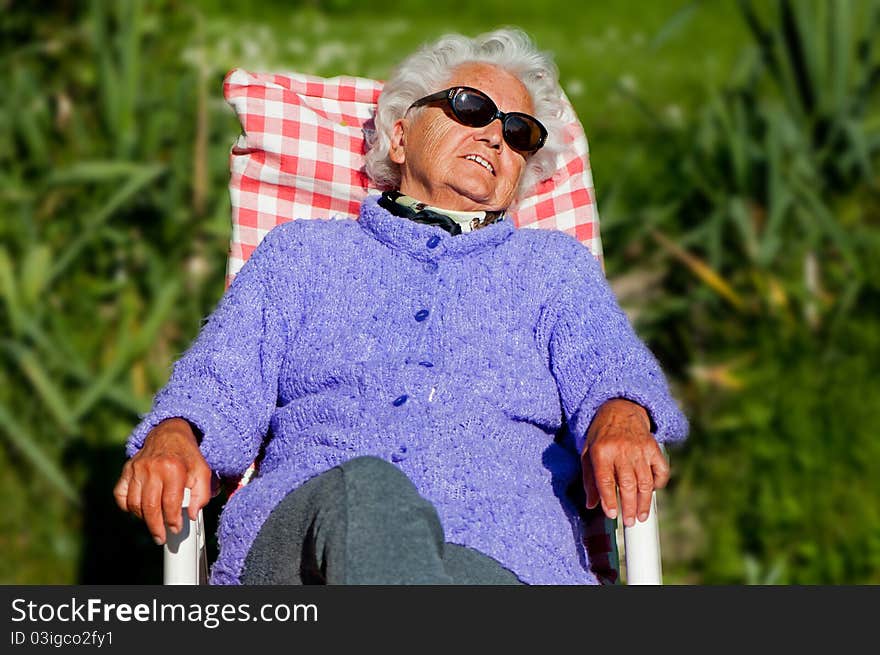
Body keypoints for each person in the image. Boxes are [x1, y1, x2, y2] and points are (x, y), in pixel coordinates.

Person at [114, 28, 688, 585]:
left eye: (519, 132)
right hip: (305, 549)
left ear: (520, 175)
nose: (494, 135)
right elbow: (220, 382)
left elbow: (611, 370)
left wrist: (621, 413)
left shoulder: (554, 270)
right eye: (469, 108)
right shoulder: (303, 256)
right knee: (369, 489)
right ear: (399, 136)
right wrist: (175, 433)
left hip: (503, 559)